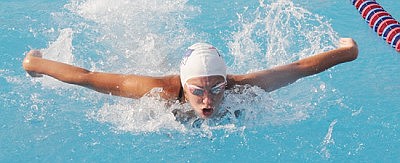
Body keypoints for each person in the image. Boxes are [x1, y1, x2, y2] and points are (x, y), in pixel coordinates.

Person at [22, 38, 358, 119]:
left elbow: (299, 68)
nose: (209, 100)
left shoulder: (241, 85)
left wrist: (347, 52)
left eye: (217, 87)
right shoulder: (160, 90)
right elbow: (87, 77)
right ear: (184, 85)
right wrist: (35, 64)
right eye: (198, 90)